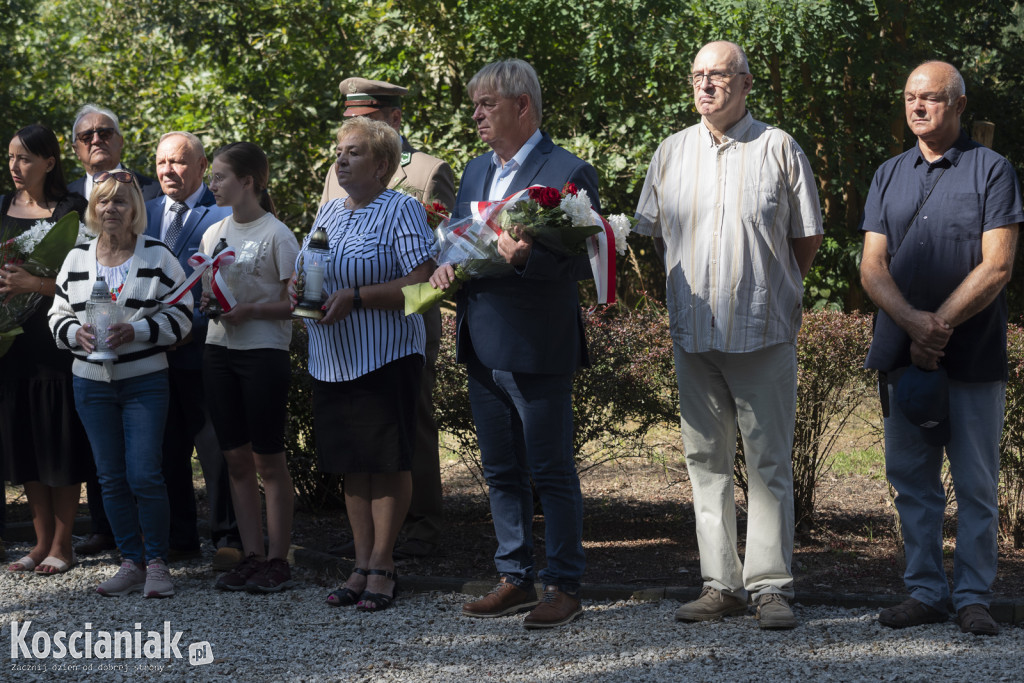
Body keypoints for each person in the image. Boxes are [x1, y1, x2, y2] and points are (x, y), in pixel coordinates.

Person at [633, 41, 823, 630]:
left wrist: (763, 287)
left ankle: (770, 588)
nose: (705, 85)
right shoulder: (670, 153)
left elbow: (806, 240)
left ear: (744, 84)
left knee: (769, 465)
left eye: (717, 75)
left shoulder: (778, 148)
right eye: (697, 75)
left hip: (761, 331)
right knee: (705, 461)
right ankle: (721, 584)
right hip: (693, 335)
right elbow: (655, 237)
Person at [429, 59, 599, 629]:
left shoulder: (569, 169)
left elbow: (580, 256)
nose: (475, 114)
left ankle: (565, 585)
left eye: (487, 105)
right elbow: (460, 238)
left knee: (550, 470)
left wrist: (530, 256)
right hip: (480, 338)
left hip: (536, 343)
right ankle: (515, 578)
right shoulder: (476, 171)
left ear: (522, 106)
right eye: (474, 104)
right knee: (500, 470)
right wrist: (445, 267)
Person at [860, 61, 1022, 636]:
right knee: (911, 482)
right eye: (910, 97)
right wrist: (911, 325)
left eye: (930, 98)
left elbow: (998, 264)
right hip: (902, 359)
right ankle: (926, 592)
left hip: (972, 357)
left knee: (977, 485)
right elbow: (872, 267)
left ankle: (973, 595)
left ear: (957, 105)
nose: (918, 107)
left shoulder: (992, 171)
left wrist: (939, 326)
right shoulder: (888, 173)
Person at [301, 117, 434, 612]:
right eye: (339, 151)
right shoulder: (329, 213)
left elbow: (422, 285)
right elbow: (307, 273)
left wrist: (356, 297)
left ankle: (383, 564)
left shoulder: (402, 210)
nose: (340, 159)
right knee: (352, 465)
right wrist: (300, 293)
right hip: (332, 359)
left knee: (387, 461)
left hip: (385, 354)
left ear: (382, 166)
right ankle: (359, 565)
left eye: (353, 152)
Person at [322, 76, 456, 560]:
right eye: (350, 125)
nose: (349, 141)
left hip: (403, 322)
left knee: (409, 426)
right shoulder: (337, 177)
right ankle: (372, 542)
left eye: (368, 122)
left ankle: (421, 523)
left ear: (393, 120)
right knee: (360, 445)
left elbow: (443, 252)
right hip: (343, 337)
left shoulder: (427, 170)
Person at [48, 171, 192, 597]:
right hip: (90, 383)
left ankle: (158, 564)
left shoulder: (159, 255)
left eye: (121, 202)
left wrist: (139, 332)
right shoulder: (76, 257)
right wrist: (76, 334)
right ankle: (130, 562)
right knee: (110, 477)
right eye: (105, 202)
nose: (112, 209)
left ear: (135, 211)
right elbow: (56, 315)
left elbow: (183, 317)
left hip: (144, 381)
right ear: (94, 209)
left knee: (145, 474)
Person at [200, 142, 299, 592]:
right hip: (219, 350)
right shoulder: (213, 232)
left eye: (219, 177)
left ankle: (279, 558)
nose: (212, 184)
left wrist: (251, 311)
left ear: (248, 181)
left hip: (263, 354)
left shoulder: (278, 234)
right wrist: (208, 301)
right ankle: (251, 553)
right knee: (235, 458)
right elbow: (210, 290)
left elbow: (295, 305)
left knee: (268, 459)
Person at [144, 132, 241, 570]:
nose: (169, 170)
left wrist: (188, 329)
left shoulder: (224, 214)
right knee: (165, 451)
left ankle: (228, 538)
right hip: (153, 358)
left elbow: (234, 285)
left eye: (180, 162)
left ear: (202, 166)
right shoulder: (142, 213)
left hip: (205, 351)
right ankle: (179, 537)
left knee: (217, 451)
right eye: (162, 162)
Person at [1, 124, 90, 575]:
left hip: (57, 342)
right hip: (12, 347)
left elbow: (90, 280)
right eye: (11, 157)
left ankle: (63, 545)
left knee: (60, 443)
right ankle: (38, 544)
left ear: (50, 163)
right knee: (28, 444)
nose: (15, 167)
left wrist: (33, 283)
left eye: (26, 159)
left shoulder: (71, 210)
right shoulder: (1, 207)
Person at [68, 104, 161, 201]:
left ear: (121, 142)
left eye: (105, 134)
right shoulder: (64, 198)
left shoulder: (154, 193)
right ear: (76, 150)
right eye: (86, 137)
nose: (96, 140)